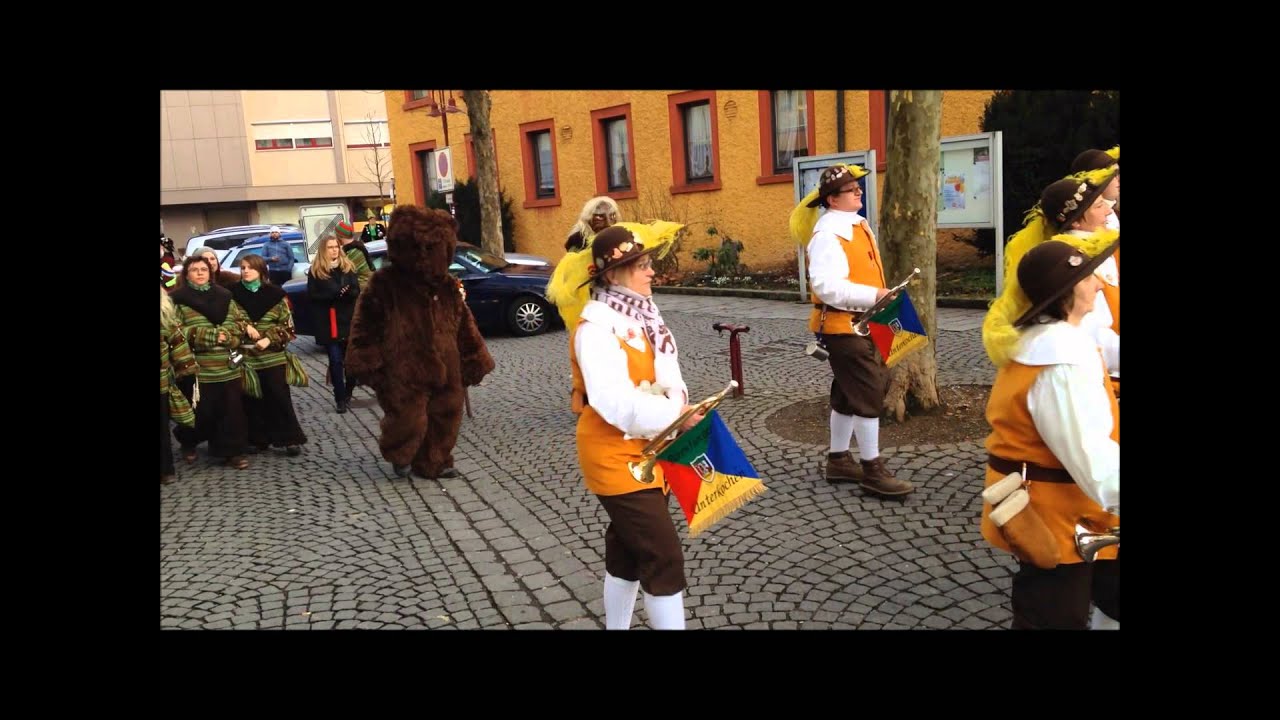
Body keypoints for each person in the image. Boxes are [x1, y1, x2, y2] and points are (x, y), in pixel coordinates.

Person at [547, 222, 692, 630]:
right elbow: (612, 403)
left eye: (648, 263)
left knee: (627, 551)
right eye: (641, 265)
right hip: (615, 458)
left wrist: (678, 405)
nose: (651, 272)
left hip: (652, 450)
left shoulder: (647, 315)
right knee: (663, 556)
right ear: (612, 275)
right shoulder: (594, 329)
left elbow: (670, 372)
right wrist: (676, 417)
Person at [980, 239, 1120, 630]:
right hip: (1056, 518)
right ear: (1065, 293)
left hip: (1075, 509)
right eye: (1087, 277)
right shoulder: (1060, 360)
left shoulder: (1048, 342)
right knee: (1054, 616)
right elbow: (1090, 459)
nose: (1097, 284)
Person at [788, 163, 913, 496]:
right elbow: (827, 287)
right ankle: (872, 469)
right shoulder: (828, 234)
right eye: (851, 189)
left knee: (847, 392)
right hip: (843, 325)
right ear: (832, 199)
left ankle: (839, 459)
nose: (859, 191)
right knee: (870, 388)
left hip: (865, 321)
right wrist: (874, 295)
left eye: (858, 187)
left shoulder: (856, 224)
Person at [345, 206, 495, 480]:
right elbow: (365, 324)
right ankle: (400, 452)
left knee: (447, 414)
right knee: (407, 417)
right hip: (402, 366)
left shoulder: (446, 286)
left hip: (447, 365)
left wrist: (474, 357)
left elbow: (464, 323)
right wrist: (367, 361)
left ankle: (434, 461)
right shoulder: (385, 284)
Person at [983, 169, 1119, 390]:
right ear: (1075, 223)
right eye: (1098, 206)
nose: (1108, 210)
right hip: (1097, 375)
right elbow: (1094, 332)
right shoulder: (1072, 261)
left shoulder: (1095, 248)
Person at [170, 256, 253, 470]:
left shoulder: (225, 296)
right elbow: (176, 330)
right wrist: (209, 336)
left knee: (231, 410)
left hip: (227, 364)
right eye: (194, 269)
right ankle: (188, 441)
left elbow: (238, 323)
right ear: (186, 274)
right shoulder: (178, 300)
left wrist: (229, 336)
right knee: (202, 411)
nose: (199, 273)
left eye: (204, 269)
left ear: (210, 273)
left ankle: (232, 452)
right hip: (198, 367)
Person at [233, 254, 307, 456]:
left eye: (250, 268)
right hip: (247, 356)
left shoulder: (276, 295)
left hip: (272, 355)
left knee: (278, 395)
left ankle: (289, 438)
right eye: (243, 268)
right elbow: (229, 320)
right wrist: (244, 326)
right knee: (251, 397)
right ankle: (257, 439)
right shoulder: (233, 294)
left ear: (261, 271)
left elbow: (288, 326)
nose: (246, 271)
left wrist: (270, 338)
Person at [306, 236, 362, 413]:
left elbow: (356, 290)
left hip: (347, 320)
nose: (334, 250)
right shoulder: (317, 271)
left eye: (336, 246)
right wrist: (333, 295)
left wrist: (346, 293)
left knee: (351, 363)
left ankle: (348, 391)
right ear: (324, 250)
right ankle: (340, 399)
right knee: (336, 361)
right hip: (329, 322)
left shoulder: (348, 267)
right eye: (330, 247)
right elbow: (312, 296)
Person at [161, 286, 198, 485]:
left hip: (161, 382)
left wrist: (187, 370)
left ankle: (165, 469)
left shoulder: (165, 317)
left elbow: (178, 344)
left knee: (162, 428)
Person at [1070, 146, 1119, 230]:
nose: (1119, 179)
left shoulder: (1114, 211)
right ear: (1095, 180)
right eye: (1113, 176)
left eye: (1118, 173)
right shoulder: (1093, 223)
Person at [337, 221, 374, 289]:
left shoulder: (353, 252)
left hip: (362, 291)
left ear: (340, 235)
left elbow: (344, 273)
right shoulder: (356, 247)